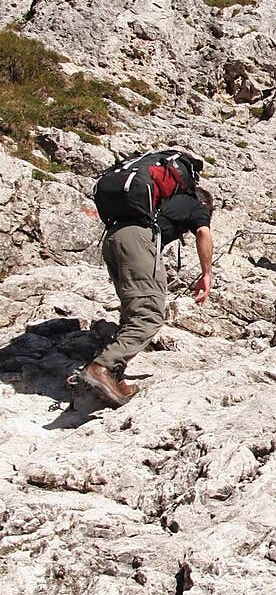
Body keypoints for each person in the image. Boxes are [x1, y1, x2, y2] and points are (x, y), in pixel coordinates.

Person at [82, 151, 213, 407]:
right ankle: (102, 368)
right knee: (150, 315)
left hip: (113, 237)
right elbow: (203, 233)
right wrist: (206, 273)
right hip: (136, 240)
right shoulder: (197, 204)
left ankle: (114, 376)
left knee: (133, 311)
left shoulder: (160, 203)